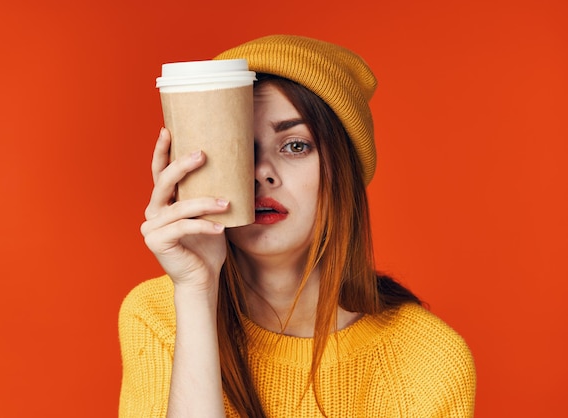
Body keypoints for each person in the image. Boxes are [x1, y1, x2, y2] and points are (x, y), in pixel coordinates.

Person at [118, 34, 476, 417]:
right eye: (239, 145)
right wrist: (195, 292)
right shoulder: (158, 315)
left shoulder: (429, 359)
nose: (262, 173)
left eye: (295, 145)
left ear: (343, 172)